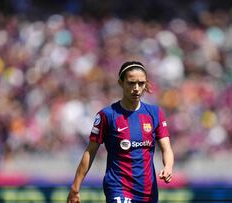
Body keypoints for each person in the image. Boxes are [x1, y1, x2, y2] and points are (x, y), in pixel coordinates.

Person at [67, 61, 174, 203]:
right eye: (131, 83)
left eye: (141, 83)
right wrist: (75, 187)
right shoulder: (107, 115)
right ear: (120, 83)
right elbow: (90, 151)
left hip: (148, 191)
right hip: (118, 187)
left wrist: (168, 167)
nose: (136, 88)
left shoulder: (155, 113)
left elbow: (166, 148)